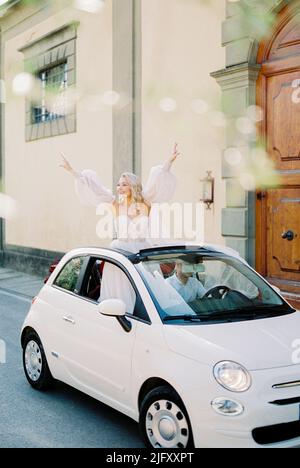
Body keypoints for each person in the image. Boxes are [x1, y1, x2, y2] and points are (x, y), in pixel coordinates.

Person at [60, 144, 180, 306]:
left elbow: (157, 180)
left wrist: (169, 161)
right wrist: (72, 171)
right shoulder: (115, 204)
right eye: (118, 184)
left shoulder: (145, 202)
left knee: (147, 297)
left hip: (140, 254)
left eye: (124, 184)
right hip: (119, 254)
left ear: (133, 186)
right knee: (118, 299)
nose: (120, 187)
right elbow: (95, 188)